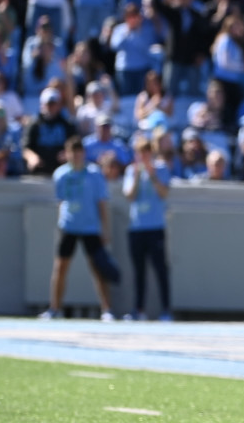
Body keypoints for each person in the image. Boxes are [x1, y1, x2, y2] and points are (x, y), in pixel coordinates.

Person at [39, 137, 116, 321]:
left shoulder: (94, 173)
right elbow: (61, 202)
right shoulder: (61, 175)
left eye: (78, 152)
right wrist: (59, 224)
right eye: (72, 152)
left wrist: (104, 229)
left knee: (98, 268)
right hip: (69, 226)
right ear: (67, 154)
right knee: (60, 268)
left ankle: (107, 309)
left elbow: (102, 204)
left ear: (83, 153)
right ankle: (55, 308)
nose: (75, 156)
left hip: (90, 227)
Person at [122, 134, 172, 322]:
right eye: (139, 153)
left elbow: (163, 193)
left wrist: (152, 175)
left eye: (145, 153)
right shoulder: (131, 171)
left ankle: (166, 309)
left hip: (155, 226)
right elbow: (130, 196)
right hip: (137, 227)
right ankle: (138, 309)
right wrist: (136, 176)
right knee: (138, 271)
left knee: (160, 270)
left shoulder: (161, 169)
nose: (142, 157)